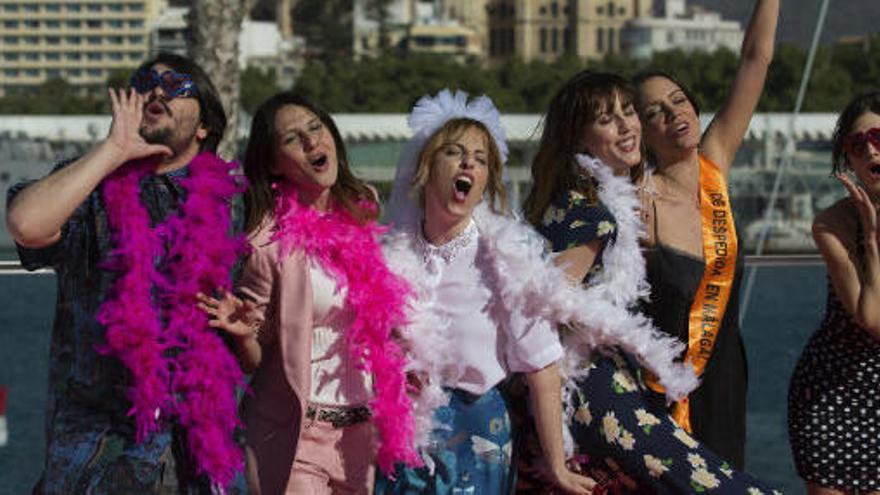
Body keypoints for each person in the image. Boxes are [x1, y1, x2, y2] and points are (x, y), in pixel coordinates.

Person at [517, 69, 779, 493]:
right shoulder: (592, 217)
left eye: (628, 112)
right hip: (592, 389)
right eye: (607, 119)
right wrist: (552, 452)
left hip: (610, 383)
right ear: (579, 138)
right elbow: (536, 326)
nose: (626, 125)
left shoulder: (596, 199)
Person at [5, 53, 243, 493]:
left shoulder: (234, 204)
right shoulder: (90, 190)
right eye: (144, 83)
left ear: (205, 125)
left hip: (191, 459)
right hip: (94, 457)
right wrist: (114, 150)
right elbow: (26, 224)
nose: (155, 90)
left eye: (174, 84)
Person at [197, 91, 419, 495]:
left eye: (315, 128)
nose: (312, 141)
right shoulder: (266, 245)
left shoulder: (360, 207)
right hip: (295, 434)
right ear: (273, 164)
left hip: (359, 435)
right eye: (292, 138)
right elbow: (254, 362)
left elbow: (372, 314)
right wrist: (243, 334)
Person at [633, 0, 779, 468]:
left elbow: (756, 58)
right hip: (662, 383)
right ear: (642, 134)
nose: (673, 112)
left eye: (677, 99)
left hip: (723, 374)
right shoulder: (638, 201)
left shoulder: (714, 161)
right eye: (655, 111)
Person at [788, 91, 880, 494]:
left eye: (878, 136)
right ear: (848, 158)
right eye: (857, 144)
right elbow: (873, 319)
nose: (871, 150)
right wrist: (873, 241)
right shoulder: (832, 224)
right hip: (833, 392)